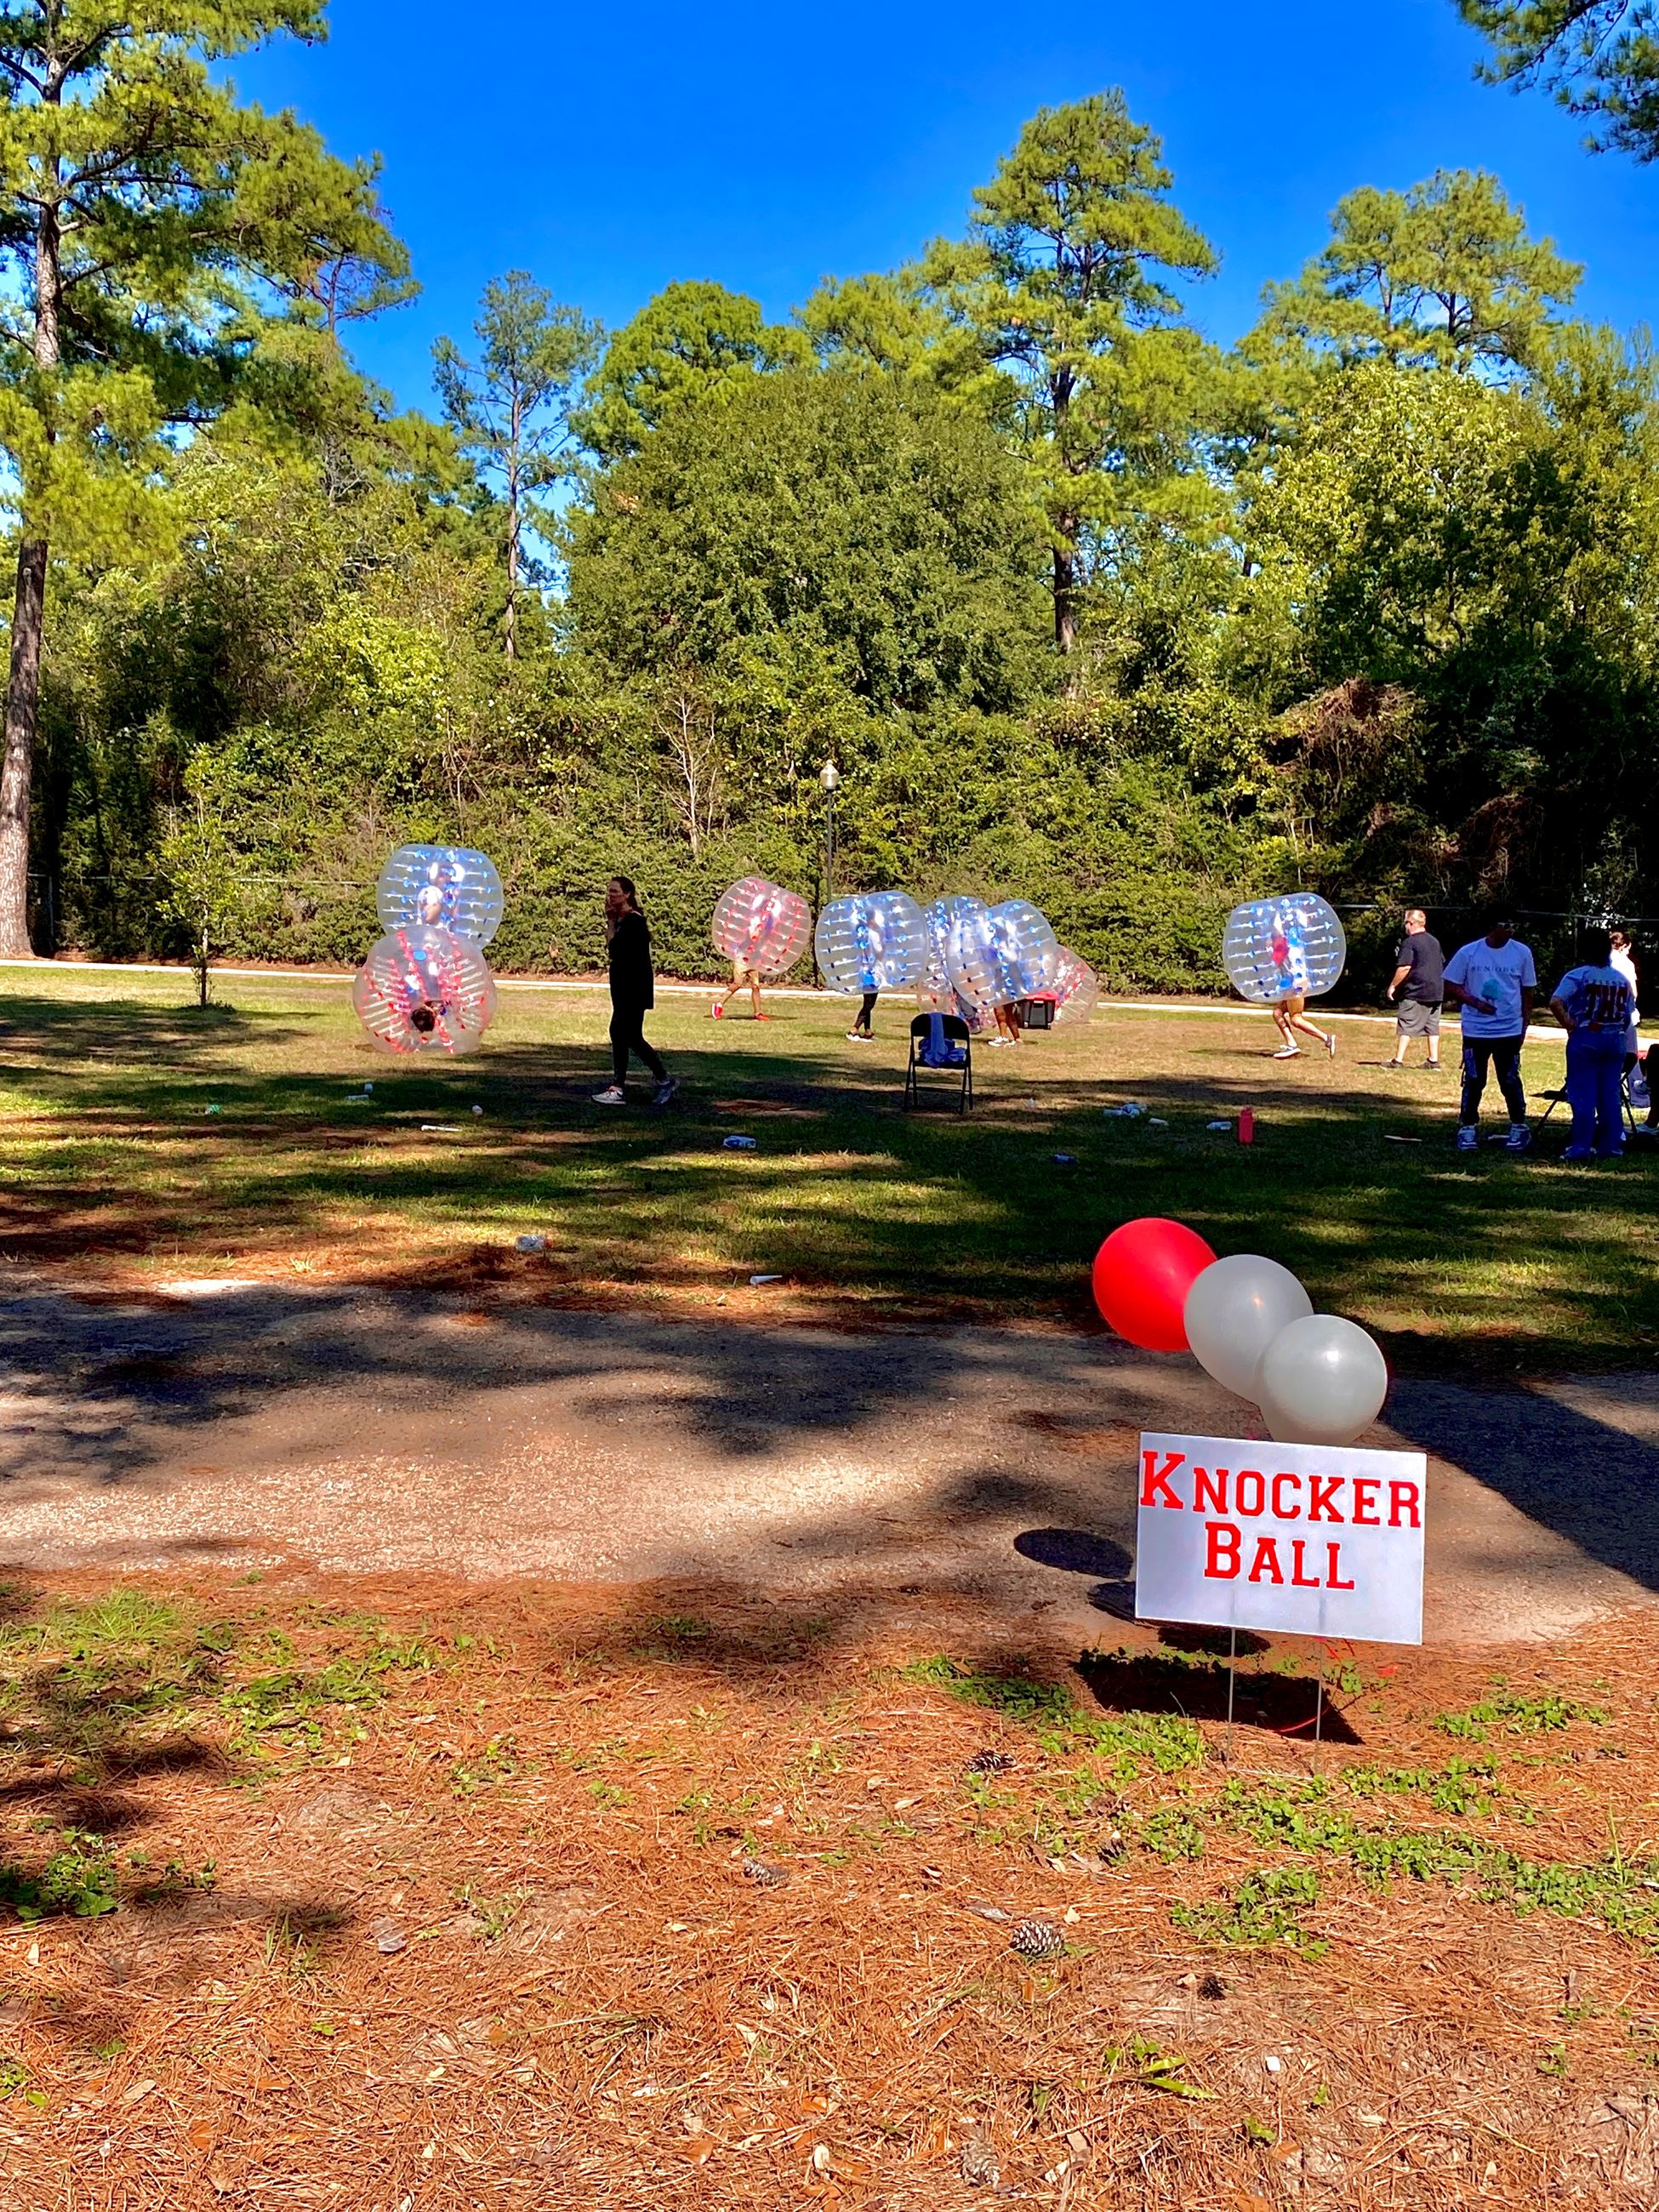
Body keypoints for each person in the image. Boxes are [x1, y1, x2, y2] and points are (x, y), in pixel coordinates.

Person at [1441, 910, 1536, 1153]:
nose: (1510, 930)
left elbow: (1528, 991)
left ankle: (1518, 1125)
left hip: (1508, 1029)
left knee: (1510, 1079)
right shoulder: (1469, 952)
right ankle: (1468, 1128)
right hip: (1476, 1029)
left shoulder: (1522, 953)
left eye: (1512, 925)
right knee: (1474, 1079)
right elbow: (1451, 984)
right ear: (1492, 927)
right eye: (1505, 924)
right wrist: (1475, 1002)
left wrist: (1524, 1024)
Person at [1549, 927, 1635, 1161]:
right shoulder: (1621, 979)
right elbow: (1628, 1015)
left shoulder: (1578, 975)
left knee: (1583, 1094)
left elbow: (1556, 1002)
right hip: (1615, 1036)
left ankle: (1580, 1148)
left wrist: (1569, 1023)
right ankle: (1611, 1146)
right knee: (1610, 1095)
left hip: (1588, 1034)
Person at [593, 876, 676, 1109]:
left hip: (633, 986)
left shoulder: (633, 921)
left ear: (627, 894)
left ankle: (620, 1087)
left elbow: (614, 949)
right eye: (609, 891)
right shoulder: (622, 920)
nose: (611, 895)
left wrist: (610, 922)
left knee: (621, 1032)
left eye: (615, 891)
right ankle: (661, 1080)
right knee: (629, 1036)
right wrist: (612, 922)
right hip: (623, 985)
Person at [1385, 907, 1445, 1070]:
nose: (1405, 926)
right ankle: (1434, 1061)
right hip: (1437, 990)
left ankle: (1398, 1060)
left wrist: (1393, 986)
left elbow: (1404, 967)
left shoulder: (1410, 942)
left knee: (1406, 1023)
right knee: (1433, 1027)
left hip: (1416, 990)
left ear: (1411, 923)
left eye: (1406, 923)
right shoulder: (1434, 941)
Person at [1609, 926, 1641, 1077]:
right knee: (1630, 1053)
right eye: (1628, 949)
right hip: (1623, 1014)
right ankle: (1637, 1092)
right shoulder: (1626, 963)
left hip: (1602, 1016)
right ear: (1623, 946)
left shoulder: (1603, 961)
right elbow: (1633, 991)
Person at [1269, 992, 1336, 1060]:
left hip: (1295, 989)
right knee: (1277, 1013)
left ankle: (1326, 1038)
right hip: (1288, 989)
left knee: (1296, 1019)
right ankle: (1291, 1045)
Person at [712, 956, 767, 1022]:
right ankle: (719, 1005)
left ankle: (758, 1013)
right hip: (741, 961)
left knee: (755, 986)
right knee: (737, 984)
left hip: (753, 961)